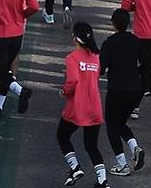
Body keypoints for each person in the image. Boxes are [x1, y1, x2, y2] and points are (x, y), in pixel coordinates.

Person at [58, 22, 108, 188]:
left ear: (75, 37)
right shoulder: (96, 57)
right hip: (94, 106)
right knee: (91, 145)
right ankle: (102, 180)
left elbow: (73, 80)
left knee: (62, 136)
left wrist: (64, 91)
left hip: (77, 107)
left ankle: (75, 167)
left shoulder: (72, 57)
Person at [99, 9, 145, 177]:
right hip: (134, 89)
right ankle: (135, 148)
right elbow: (145, 64)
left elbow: (101, 70)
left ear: (113, 23)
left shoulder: (108, 43)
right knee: (120, 122)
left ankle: (122, 164)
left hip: (116, 89)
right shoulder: (135, 41)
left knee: (112, 125)